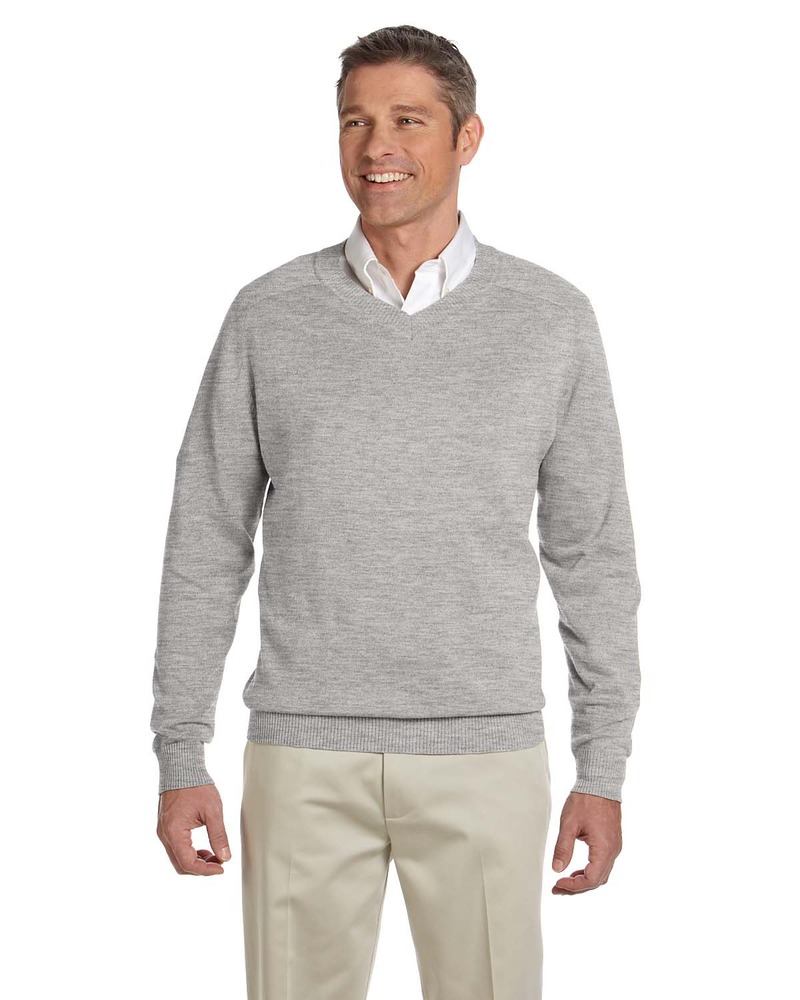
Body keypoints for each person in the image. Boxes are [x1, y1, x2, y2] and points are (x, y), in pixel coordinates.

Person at [151, 23, 642, 1000]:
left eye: (408, 120)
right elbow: (205, 538)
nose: (376, 146)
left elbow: (592, 554)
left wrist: (603, 768)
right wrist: (179, 751)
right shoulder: (267, 315)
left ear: (467, 138)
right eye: (354, 121)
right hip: (302, 754)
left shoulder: (550, 319)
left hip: (485, 753)